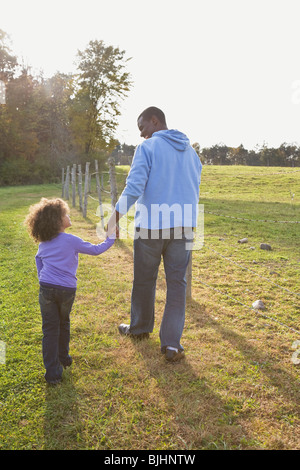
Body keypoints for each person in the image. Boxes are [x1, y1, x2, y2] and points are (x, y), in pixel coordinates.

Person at [105, 107, 202, 362]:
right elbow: (194, 188)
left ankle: (139, 329)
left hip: (151, 225)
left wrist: (114, 218)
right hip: (185, 227)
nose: (142, 135)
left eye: (142, 128)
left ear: (154, 121)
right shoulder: (192, 153)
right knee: (177, 285)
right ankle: (172, 345)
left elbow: (134, 186)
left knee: (145, 280)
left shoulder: (147, 149)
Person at [25, 197, 115, 384]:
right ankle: (63, 358)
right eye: (66, 214)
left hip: (46, 288)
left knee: (49, 329)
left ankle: (52, 373)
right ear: (58, 221)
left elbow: (38, 259)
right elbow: (96, 250)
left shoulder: (44, 242)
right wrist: (112, 237)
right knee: (63, 323)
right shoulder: (71, 240)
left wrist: (42, 277)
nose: (69, 215)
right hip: (66, 290)